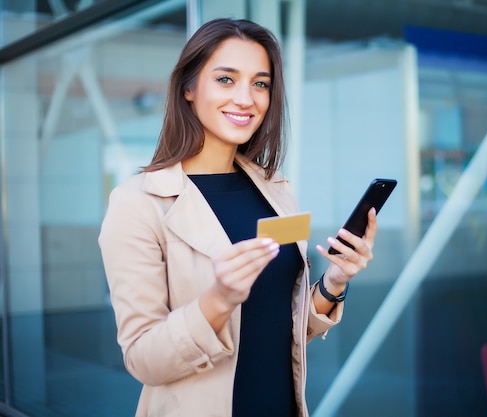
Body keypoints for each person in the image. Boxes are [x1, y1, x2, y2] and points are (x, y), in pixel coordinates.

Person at [98, 17, 377, 417]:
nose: (246, 98)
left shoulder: (276, 188)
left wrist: (334, 282)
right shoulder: (137, 203)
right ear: (189, 88)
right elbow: (143, 360)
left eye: (260, 83)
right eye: (226, 79)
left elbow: (280, 328)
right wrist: (219, 300)